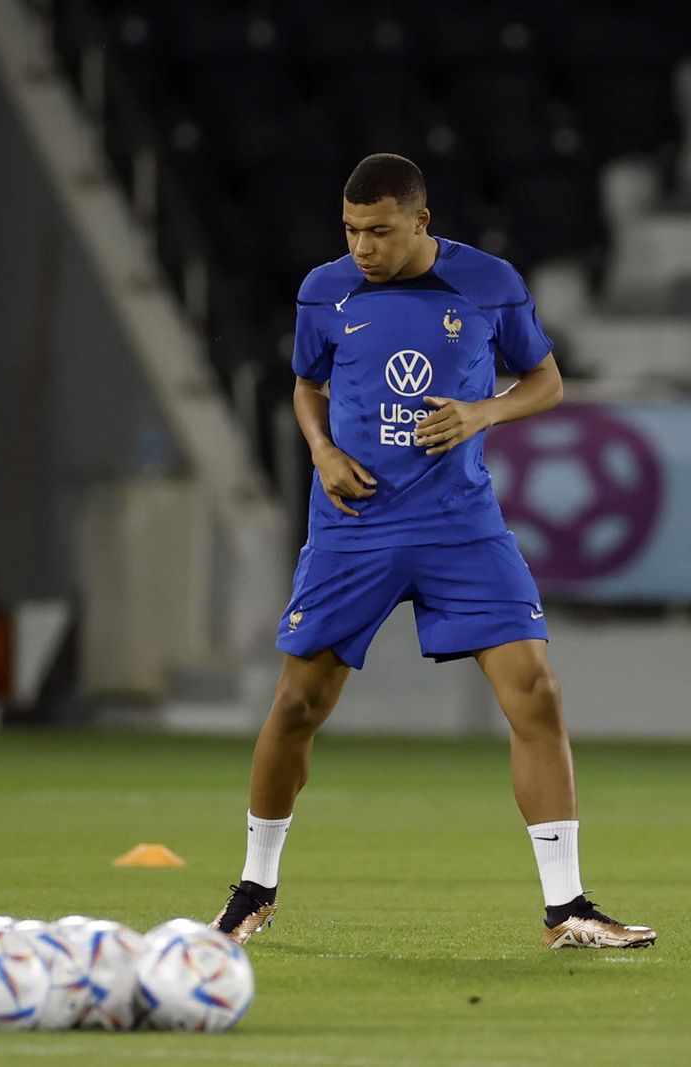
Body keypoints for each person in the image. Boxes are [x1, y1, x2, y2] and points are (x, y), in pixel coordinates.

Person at [208, 154, 656, 952]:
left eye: (379, 231)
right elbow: (306, 384)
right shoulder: (324, 290)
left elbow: (546, 381)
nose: (362, 248)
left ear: (420, 221)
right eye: (351, 230)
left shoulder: (488, 282)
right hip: (355, 525)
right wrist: (320, 450)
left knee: (536, 692)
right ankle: (254, 889)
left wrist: (481, 412)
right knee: (297, 703)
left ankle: (567, 908)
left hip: (460, 525)